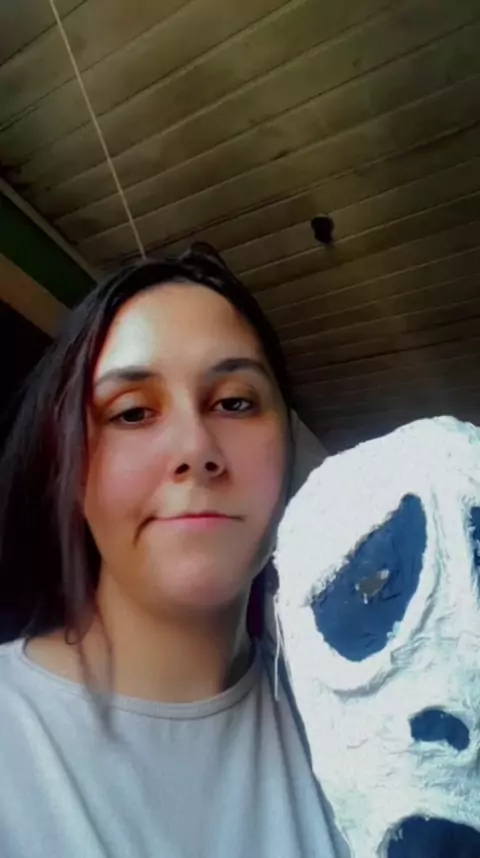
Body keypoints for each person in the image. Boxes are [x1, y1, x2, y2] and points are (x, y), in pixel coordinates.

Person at [0, 244, 343, 857]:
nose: (196, 449)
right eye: (133, 413)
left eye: (235, 402)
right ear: (69, 470)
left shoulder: (360, 721)